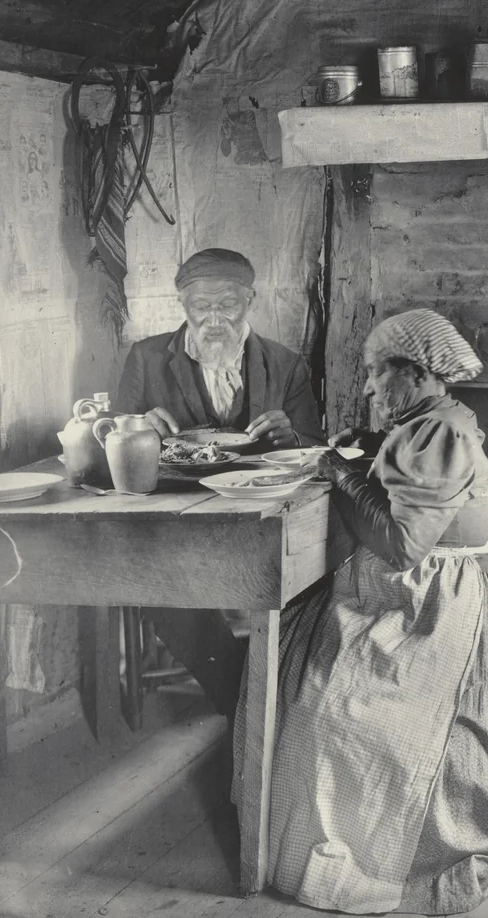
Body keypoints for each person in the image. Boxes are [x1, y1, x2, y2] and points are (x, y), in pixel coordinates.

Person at [231, 309, 488, 915]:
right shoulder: (425, 420)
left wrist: (341, 473)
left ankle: (369, 852)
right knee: (295, 657)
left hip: (446, 599)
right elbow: (383, 471)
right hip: (414, 584)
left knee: (325, 705)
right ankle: (293, 826)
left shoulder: (442, 433)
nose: (369, 388)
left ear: (417, 372)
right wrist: (324, 452)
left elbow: (402, 545)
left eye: (377, 374)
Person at [115, 247, 323, 717]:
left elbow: (316, 447)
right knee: (157, 582)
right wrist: (138, 427)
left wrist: (291, 435)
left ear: (249, 301)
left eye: (226, 304)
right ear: (183, 306)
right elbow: (114, 436)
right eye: (200, 306)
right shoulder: (147, 359)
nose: (213, 319)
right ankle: (240, 700)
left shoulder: (285, 364)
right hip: (173, 524)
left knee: (306, 577)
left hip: (256, 520)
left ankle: (274, 695)